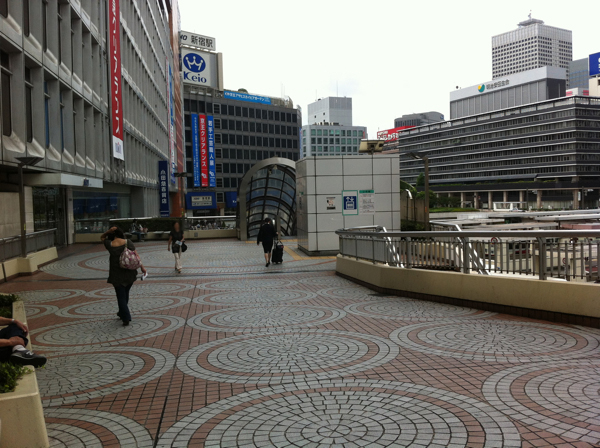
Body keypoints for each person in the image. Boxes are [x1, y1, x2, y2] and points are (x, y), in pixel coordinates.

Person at [101, 226, 147, 326]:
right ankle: (121, 312)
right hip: (129, 273)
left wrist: (108, 231)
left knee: (121, 296)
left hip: (116, 274)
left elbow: (102, 237)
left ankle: (126, 317)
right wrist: (142, 268)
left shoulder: (110, 244)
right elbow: (136, 255)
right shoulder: (128, 242)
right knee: (125, 294)